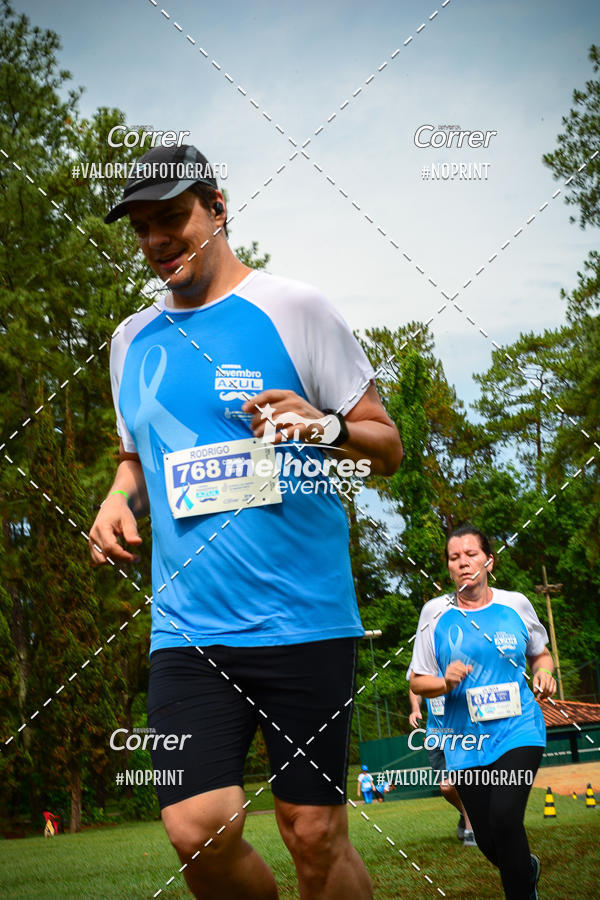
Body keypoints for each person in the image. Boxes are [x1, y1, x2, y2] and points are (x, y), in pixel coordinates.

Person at [89, 143, 403, 900]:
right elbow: (136, 459)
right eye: (142, 227)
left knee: (312, 832)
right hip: (189, 628)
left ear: (218, 208)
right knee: (197, 829)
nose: (157, 240)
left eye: (173, 218)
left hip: (303, 618)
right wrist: (116, 498)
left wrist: (323, 426)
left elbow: (385, 445)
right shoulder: (130, 340)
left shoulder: (295, 308)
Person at [409, 524, 556, 900]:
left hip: (517, 729)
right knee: (489, 837)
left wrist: (543, 673)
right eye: (454, 558)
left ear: (489, 561)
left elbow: (540, 653)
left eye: (471, 554)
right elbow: (418, 680)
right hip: (465, 742)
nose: (463, 563)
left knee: (506, 819)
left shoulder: (515, 605)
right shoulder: (435, 614)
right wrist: (444, 683)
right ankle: (527, 869)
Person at [408, 686, 476, 845]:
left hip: (463, 735)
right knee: (447, 787)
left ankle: (471, 832)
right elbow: (415, 688)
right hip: (435, 736)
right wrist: (415, 708)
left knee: (464, 783)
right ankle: (466, 814)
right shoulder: (426, 665)